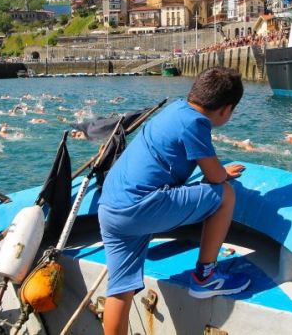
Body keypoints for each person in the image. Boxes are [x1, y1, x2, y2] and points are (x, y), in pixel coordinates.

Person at [98, 67, 249, 335]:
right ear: (226, 110)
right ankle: (205, 276)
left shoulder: (175, 109)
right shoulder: (196, 123)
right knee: (226, 195)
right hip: (140, 207)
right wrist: (223, 173)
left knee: (120, 289)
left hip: (112, 207)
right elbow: (214, 177)